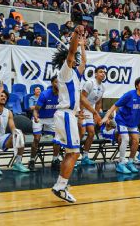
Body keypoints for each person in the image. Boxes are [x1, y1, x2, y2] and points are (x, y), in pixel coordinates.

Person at [50, 25, 100, 203]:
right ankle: (60, 186)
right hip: (65, 115)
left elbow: (84, 63)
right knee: (74, 152)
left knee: (71, 152)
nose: (78, 62)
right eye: (74, 60)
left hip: (69, 115)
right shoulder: (65, 71)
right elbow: (71, 52)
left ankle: (61, 184)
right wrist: (76, 36)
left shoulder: (76, 76)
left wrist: (83, 45)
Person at [102, 77, 140, 174]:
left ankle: (130, 162)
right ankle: (121, 163)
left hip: (132, 123)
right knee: (125, 138)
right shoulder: (130, 95)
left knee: (136, 141)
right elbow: (115, 105)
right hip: (122, 120)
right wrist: (106, 117)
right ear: (136, 86)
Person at [0, 83, 30, 175]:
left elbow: (12, 127)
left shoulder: (8, 112)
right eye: (1, 96)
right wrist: (0, 91)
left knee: (20, 135)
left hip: (1, 138)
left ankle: (18, 163)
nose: (3, 97)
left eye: (5, 96)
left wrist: (16, 133)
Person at [29, 76, 60, 171]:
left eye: (59, 82)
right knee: (37, 139)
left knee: (57, 139)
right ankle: (32, 160)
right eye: (56, 82)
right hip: (39, 117)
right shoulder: (45, 94)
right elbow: (36, 109)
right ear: (52, 83)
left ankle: (55, 160)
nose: (58, 84)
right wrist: (35, 116)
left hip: (51, 119)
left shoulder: (62, 95)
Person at [79, 66, 105, 166]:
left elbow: (98, 103)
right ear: (95, 74)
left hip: (91, 110)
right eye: (100, 72)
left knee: (91, 133)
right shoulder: (90, 83)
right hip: (81, 109)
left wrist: (96, 115)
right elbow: (82, 98)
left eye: (104, 73)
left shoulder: (103, 87)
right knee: (81, 132)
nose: (103, 74)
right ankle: (73, 153)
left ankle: (85, 157)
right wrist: (80, 113)